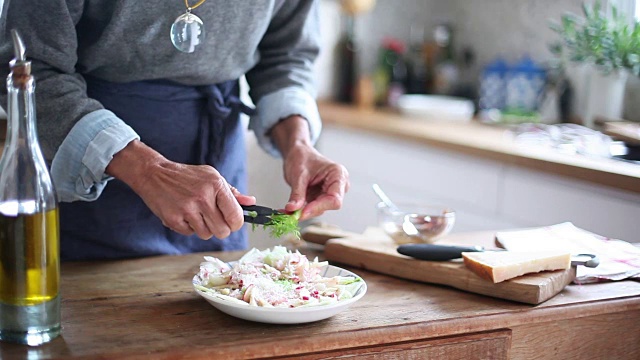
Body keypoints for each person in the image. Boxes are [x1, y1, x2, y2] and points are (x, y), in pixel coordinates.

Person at [0, 1, 349, 261]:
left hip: (220, 166)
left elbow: (286, 56)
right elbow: (31, 70)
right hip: (92, 185)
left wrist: (299, 144)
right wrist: (148, 170)